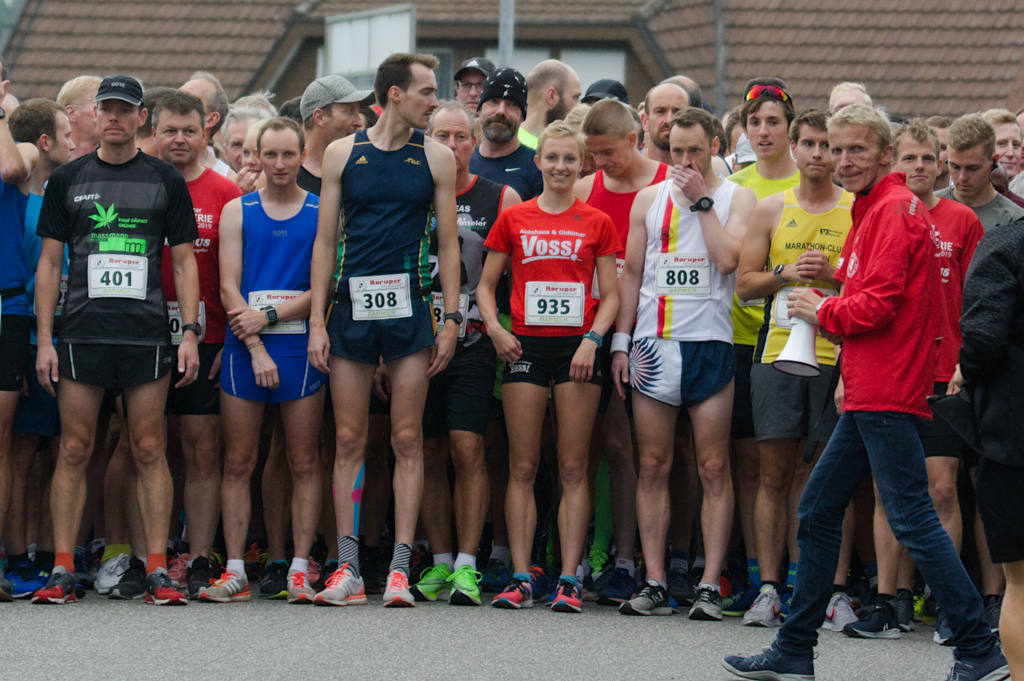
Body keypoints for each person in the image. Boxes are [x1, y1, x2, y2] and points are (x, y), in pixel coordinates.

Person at [723, 103, 1008, 681]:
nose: (839, 159)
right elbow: (880, 294)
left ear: (883, 154)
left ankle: (978, 647)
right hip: (872, 384)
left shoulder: (893, 211)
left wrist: (820, 307)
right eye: (834, 147)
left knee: (909, 516)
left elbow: (876, 306)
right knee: (821, 509)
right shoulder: (879, 207)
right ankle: (795, 649)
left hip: (887, 387)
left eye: (855, 149)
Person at [32, 75, 200, 606]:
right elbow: (50, 263)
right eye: (106, 108)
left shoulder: (165, 179)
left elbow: (182, 260)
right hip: (81, 332)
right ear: (96, 114)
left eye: (125, 110)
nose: (114, 118)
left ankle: (156, 569)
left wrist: (190, 332)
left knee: (149, 447)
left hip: (145, 336)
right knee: (76, 448)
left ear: (140, 118)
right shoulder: (68, 179)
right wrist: (44, 340)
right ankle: (62, 568)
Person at [308, 52, 461, 608]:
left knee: (405, 438)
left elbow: (448, 245)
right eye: (425, 91)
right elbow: (325, 241)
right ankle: (347, 567)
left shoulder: (437, 157)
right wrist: (317, 325)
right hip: (349, 310)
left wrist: (451, 320)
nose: (434, 100)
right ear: (394, 94)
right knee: (348, 439)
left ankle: (398, 569)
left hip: (411, 311)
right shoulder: (342, 153)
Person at [843, 119, 983, 638]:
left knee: (940, 490)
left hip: (944, 368)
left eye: (928, 158)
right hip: (890, 371)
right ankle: (888, 597)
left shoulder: (961, 218)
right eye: (909, 158)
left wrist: (967, 360)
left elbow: (976, 300)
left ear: (940, 162)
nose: (919, 167)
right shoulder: (877, 211)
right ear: (892, 162)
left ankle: (949, 604)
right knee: (886, 491)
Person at [613, 107, 755, 619]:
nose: (686, 161)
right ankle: (653, 580)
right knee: (651, 465)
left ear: (716, 145)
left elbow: (727, 260)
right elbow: (631, 273)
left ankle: (710, 583)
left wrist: (701, 202)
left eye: (696, 150)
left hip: (710, 343)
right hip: (654, 344)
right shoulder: (648, 200)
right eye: (677, 152)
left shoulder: (738, 195)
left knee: (713, 466)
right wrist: (621, 343)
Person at [477, 121, 620, 613]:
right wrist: (497, 330)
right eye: (552, 158)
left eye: (569, 160)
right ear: (538, 163)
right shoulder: (515, 217)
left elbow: (612, 294)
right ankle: (520, 576)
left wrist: (593, 340)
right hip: (525, 349)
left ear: (582, 164)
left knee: (574, 466)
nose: (560, 167)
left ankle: (569, 578)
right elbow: (484, 285)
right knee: (522, 465)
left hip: (577, 352)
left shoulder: (597, 221)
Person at [734, 109, 854, 630]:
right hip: (776, 352)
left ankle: (829, 589)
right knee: (774, 473)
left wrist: (834, 274)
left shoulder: (857, 211)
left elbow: (875, 286)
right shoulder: (769, 208)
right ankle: (768, 586)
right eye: (809, 144)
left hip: (836, 355)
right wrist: (784, 275)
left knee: (828, 476)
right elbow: (744, 283)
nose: (818, 155)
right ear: (796, 148)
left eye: (827, 146)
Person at [200, 117, 326, 605]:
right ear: (254, 156)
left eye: (287, 155)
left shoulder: (319, 211)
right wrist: (253, 343)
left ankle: (298, 567)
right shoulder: (237, 210)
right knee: (239, 460)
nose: (277, 165)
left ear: (300, 156)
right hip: (243, 345)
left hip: (298, 344)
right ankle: (234, 568)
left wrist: (269, 314)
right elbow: (228, 284)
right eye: (268, 155)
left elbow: (323, 287)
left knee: (302, 459)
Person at [412, 101, 521, 606]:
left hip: (474, 342)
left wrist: (498, 327)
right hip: (416, 341)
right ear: (427, 141)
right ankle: (437, 560)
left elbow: (510, 277)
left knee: (468, 448)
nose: (452, 147)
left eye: (461, 137)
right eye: (443, 136)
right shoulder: (411, 195)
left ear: (473, 144)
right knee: (426, 451)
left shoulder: (499, 196)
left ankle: (468, 563)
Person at [573, 98, 667, 604]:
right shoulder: (588, 188)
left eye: (607, 152)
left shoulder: (667, 181)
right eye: (593, 154)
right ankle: (594, 553)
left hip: (653, 327)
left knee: (639, 450)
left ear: (634, 139)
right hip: (596, 323)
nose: (598, 164)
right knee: (598, 444)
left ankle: (634, 557)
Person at [152, 90, 242, 598]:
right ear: (155, 131)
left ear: (205, 133)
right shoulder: (138, 182)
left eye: (189, 130)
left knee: (202, 450)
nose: (180, 139)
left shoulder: (224, 192)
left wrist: (230, 338)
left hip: (206, 336)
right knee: (140, 446)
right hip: (139, 335)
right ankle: (146, 555)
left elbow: (236, 276)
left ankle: (201, 556)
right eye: (170, 130)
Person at [722, 78, 801, 616]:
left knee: (794, 468)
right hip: (739, 338)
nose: (765, 130)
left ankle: (801, 576)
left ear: (791, 128)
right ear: (744, 130)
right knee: (749, 467)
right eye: (756, 122)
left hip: (797, 341)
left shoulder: (809, 178)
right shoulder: (736, 183)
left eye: (774, 122)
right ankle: (758, 575)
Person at [956, 215, 1024, 681]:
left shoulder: (1006, 243)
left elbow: (982, 336)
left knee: (1019, 583)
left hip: (1011, 434)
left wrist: (966, 372)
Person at [937, 113, 1024, 232]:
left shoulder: (1014, 219)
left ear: (994, 161)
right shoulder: (928, 208)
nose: (962, 177)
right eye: (955, 166)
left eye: (972, 168)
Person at [469, 67, 543, 201]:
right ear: (479, 109)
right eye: (493, 101)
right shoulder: (462, 162)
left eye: (512, 104)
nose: (501, 111)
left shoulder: (538, 168)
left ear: (523, 116)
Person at [297, 75, 373, 196]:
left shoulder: (364, 171)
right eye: (349, 111)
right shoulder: (286, 174)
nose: (359, 122)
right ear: (320, 117)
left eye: (358, 112)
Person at [519, 60, 581, 150]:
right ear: (551, 96)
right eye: (575, 97)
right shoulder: (548, 152)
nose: (579, 105)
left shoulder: (505, 144)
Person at [640, 83, 689, 165]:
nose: (669, 120)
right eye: (660, 111)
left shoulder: (704, 170)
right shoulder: (628, 169)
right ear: (645, 121)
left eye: (677, 112)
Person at [56, 75, 101, 160]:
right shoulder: (50, 161)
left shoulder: (116, 161)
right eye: (99, 104)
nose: (109, 114)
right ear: (71, 113)